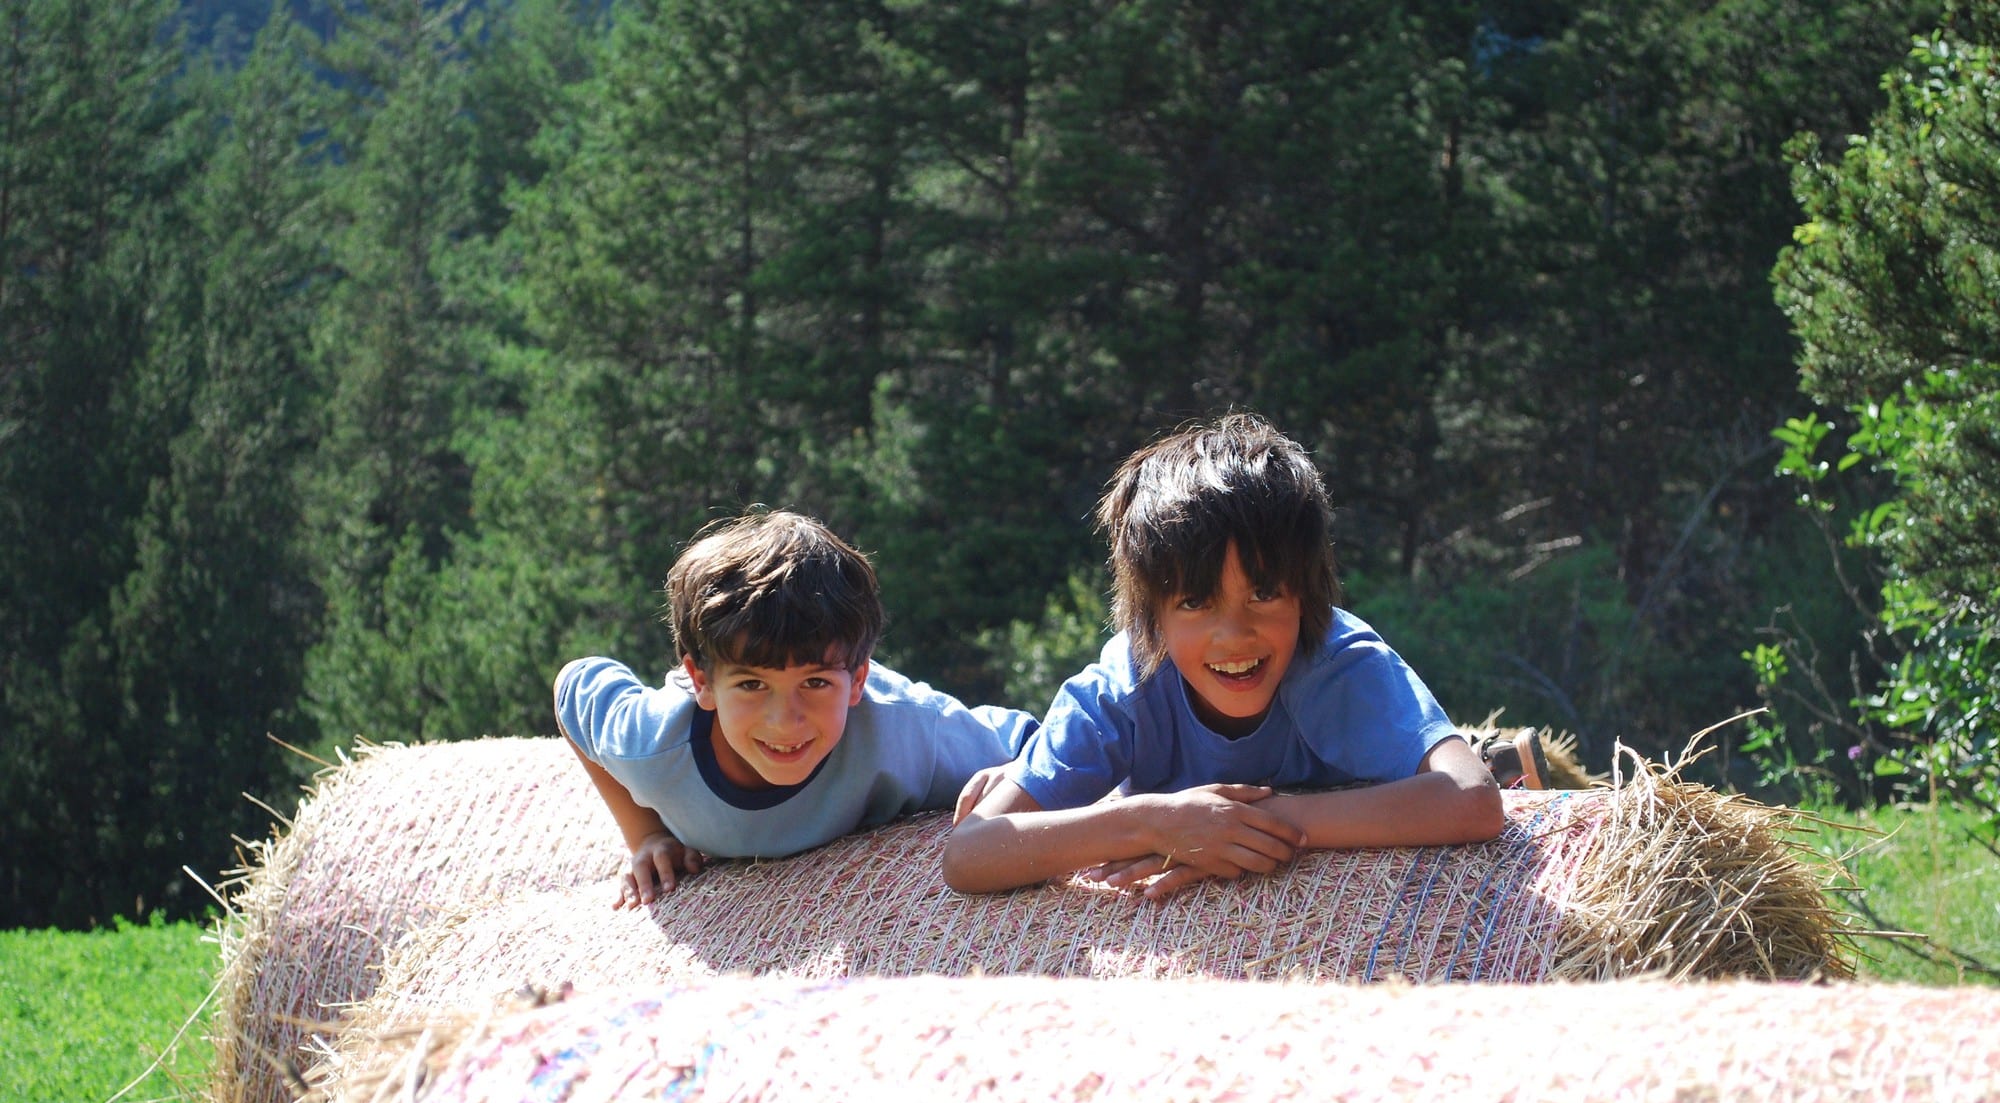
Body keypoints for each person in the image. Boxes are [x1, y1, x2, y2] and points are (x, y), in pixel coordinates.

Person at [943, 413, 1503, 897]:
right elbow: (968, 855)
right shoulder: (1123, 690)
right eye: (1194, 602)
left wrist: (1247, 823)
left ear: (1306, 598)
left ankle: (1480, 744)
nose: (1234, 636)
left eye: (1264, 594)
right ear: (1150, 617)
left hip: (1365, 757)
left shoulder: (1336, 662)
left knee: (1485, 766)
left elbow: (1473, 800)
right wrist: (1153, 824)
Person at [557, 509, 1037, 908]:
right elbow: (573, 685)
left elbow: (1033, 744)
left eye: (814, 682)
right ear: (700, 679)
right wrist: (645, 834)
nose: (785, 719)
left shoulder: (906, 731)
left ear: (858, 680)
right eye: (751, 684)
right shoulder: (651, 746)